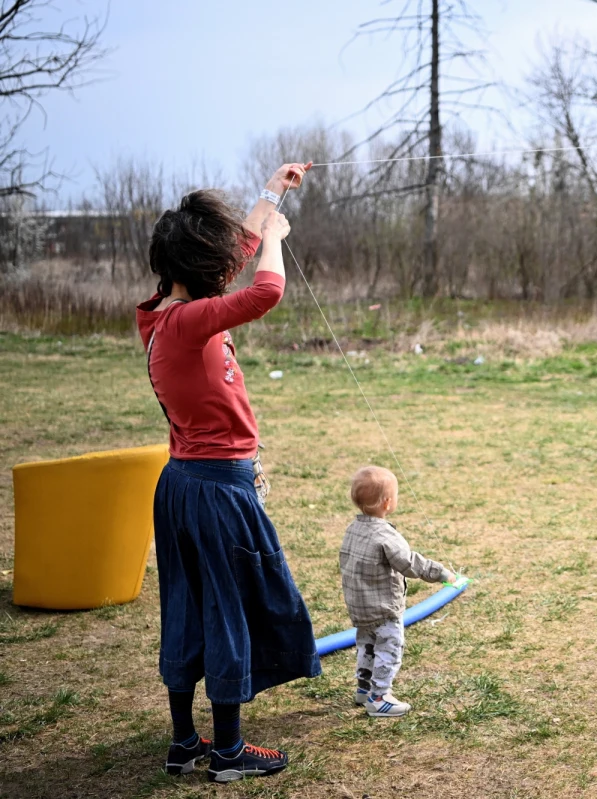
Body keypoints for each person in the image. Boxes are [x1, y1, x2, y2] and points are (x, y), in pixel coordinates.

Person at [135, 162, 319, 783]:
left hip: (184, 485)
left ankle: (185, 743)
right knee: (230, 609)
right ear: (199, 269)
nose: (228, 264)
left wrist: (272, 191)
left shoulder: (163, 313)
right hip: (217, 490)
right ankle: (230, 754)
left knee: (188, 609)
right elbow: (265, 291)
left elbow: (226, 258)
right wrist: (276, 239)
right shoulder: (190, 322)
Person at [341, 466, 456, 717]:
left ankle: (363, 688)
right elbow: (410, 563)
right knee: (388, 650)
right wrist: (441, 573)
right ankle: (379, 697)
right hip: (383, 608)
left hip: (359, 606)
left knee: (366, 646)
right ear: (388, 503)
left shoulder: (352, 529)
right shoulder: (386, 536)